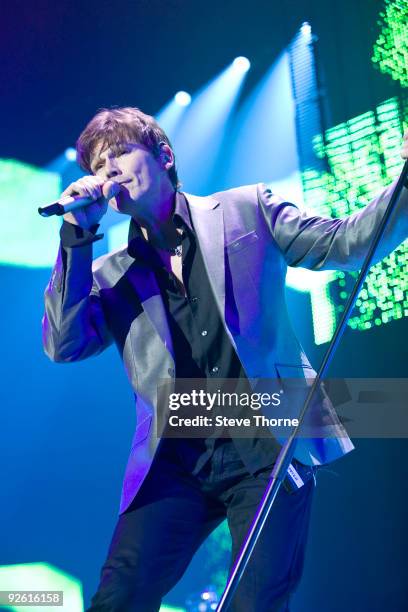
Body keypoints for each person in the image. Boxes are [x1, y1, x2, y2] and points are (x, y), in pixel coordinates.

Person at [42, 107, 408, 611]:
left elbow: (345, 242)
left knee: (255, 602)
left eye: (122, 154)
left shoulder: (245, 209)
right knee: (119, 596)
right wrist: (77, 238)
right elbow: (64, 345)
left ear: (165, 156)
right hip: (176, 460)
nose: (110, 173)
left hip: (269, 442)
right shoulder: (110, 273)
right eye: (100, 168)